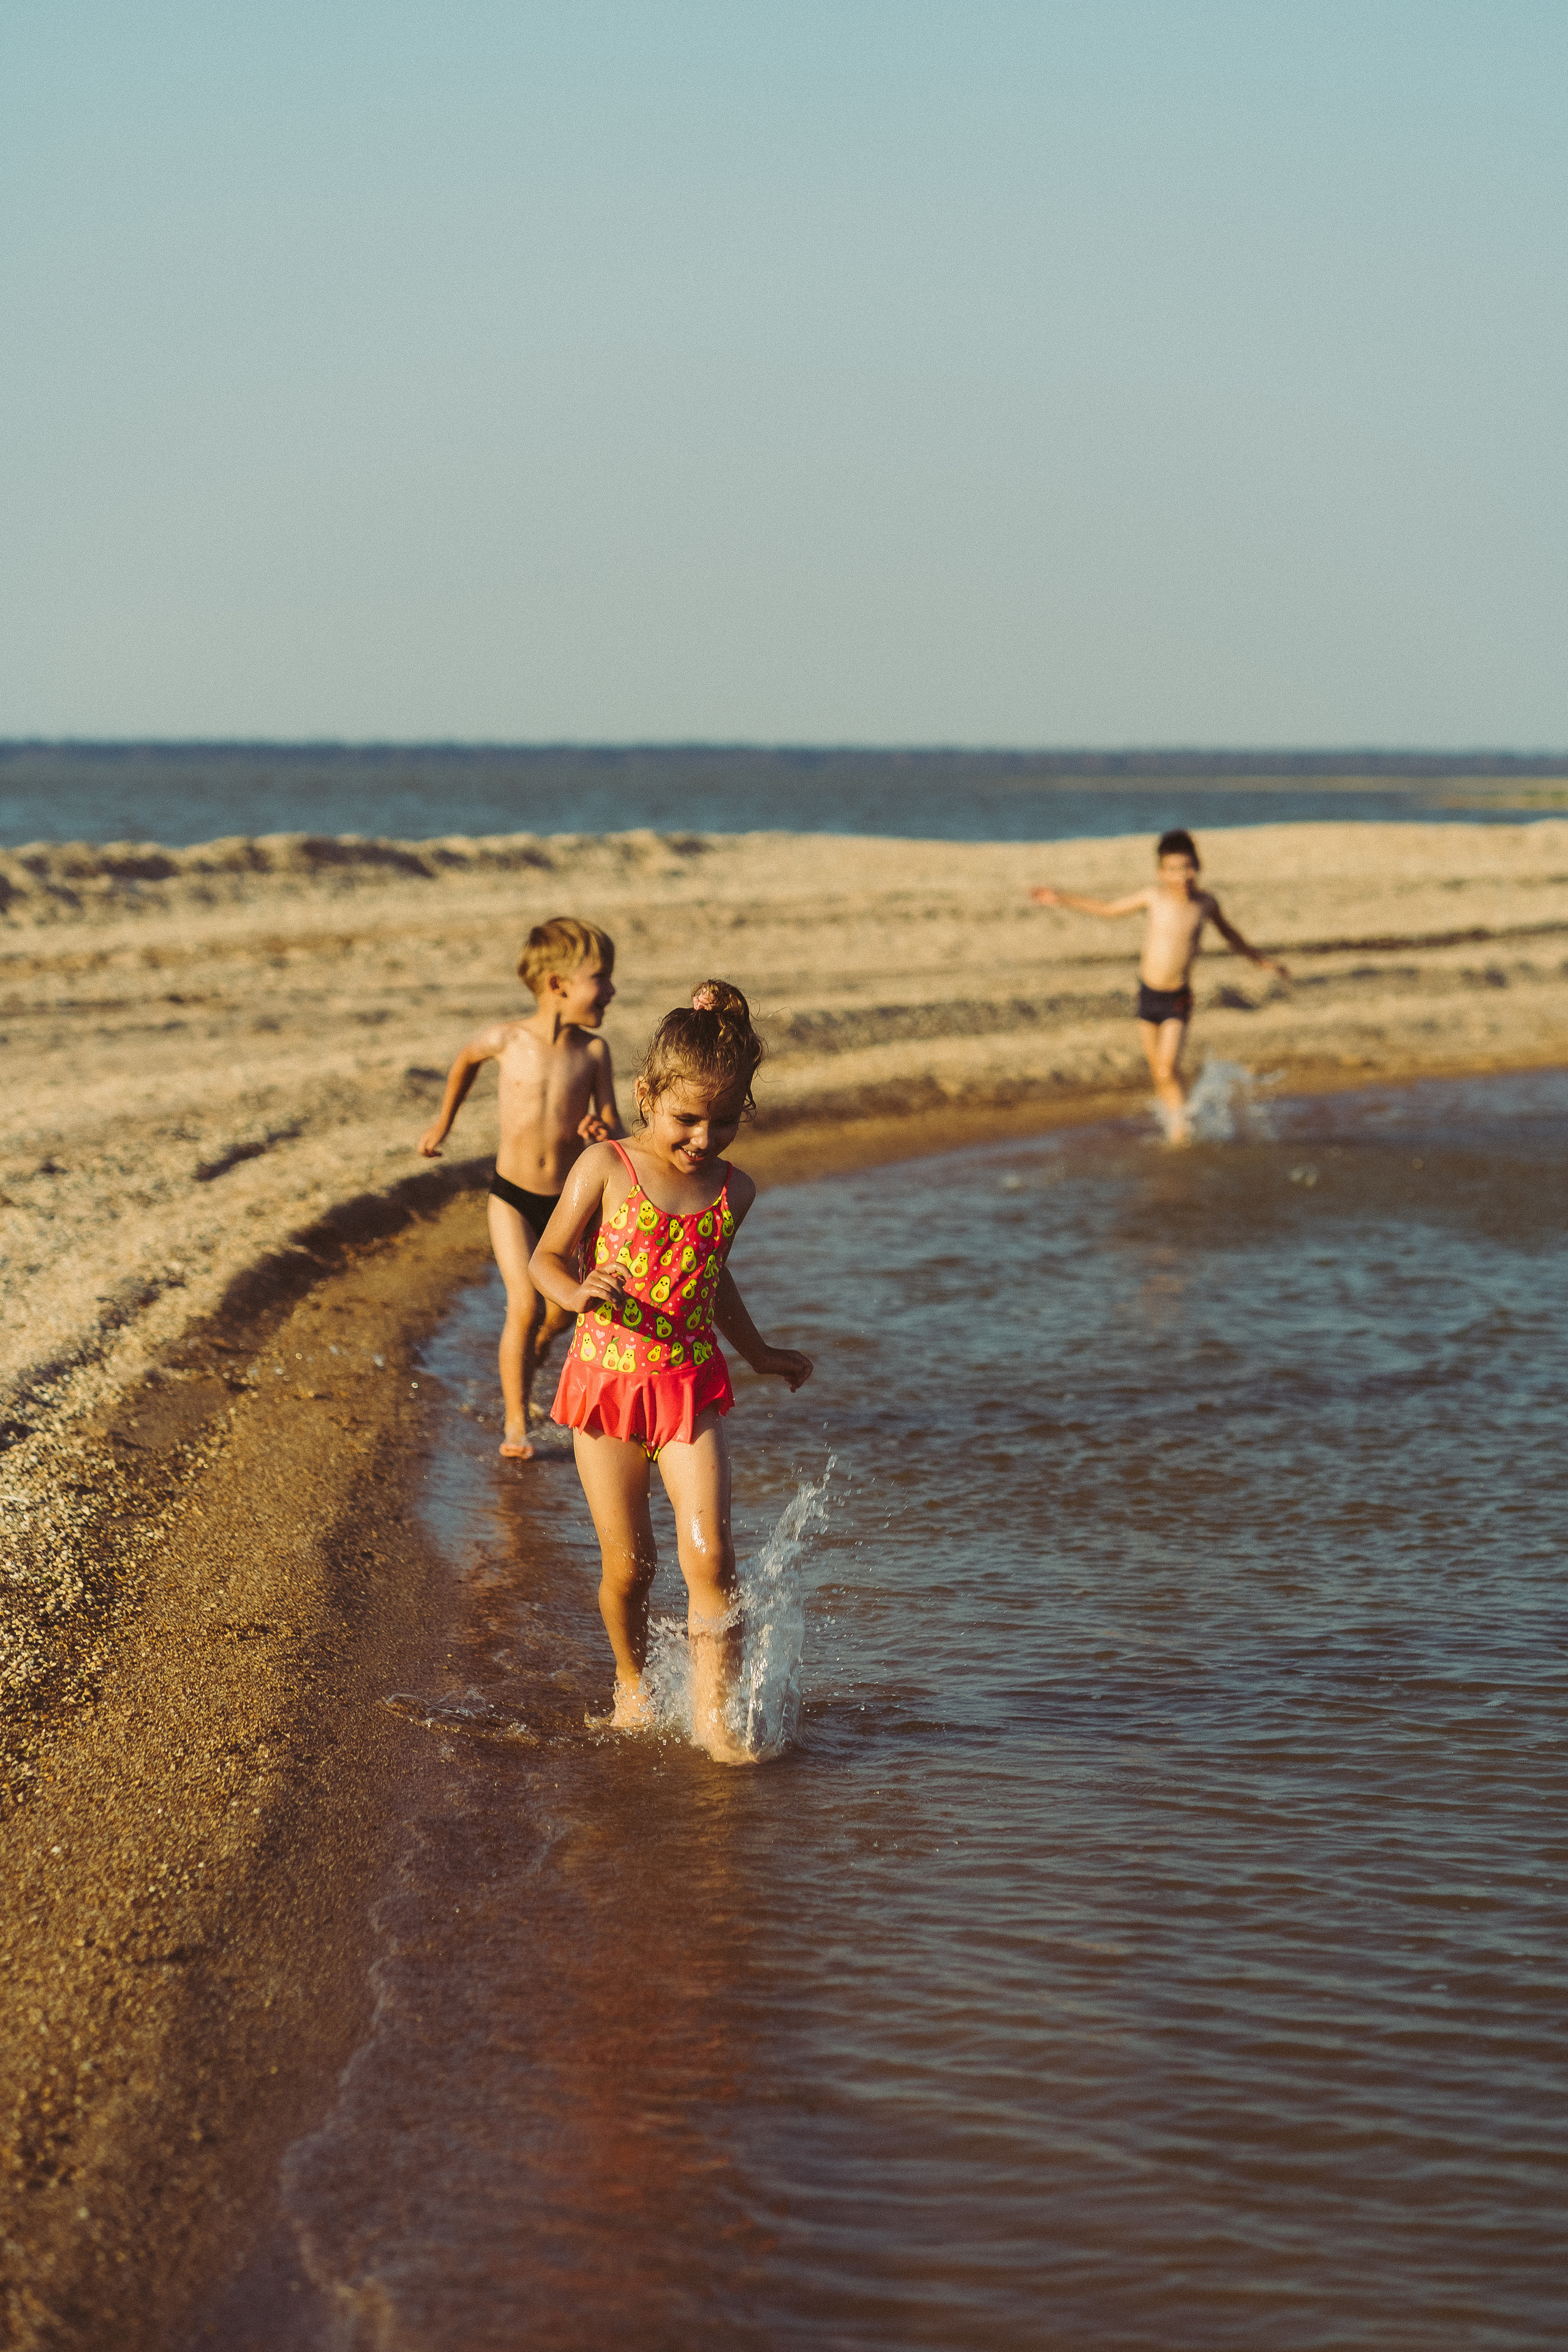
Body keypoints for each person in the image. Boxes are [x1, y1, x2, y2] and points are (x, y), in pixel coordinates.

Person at [528, 982, 813, 1764]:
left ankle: (718, 1724)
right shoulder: (607, 1165)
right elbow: (546, 1256)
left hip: (690, 1388)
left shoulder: (734, 1190)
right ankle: (629, 1682)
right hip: (608, 1389)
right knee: (631, 1566)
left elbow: (712, 1277)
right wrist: (576, 1292)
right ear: (647, 1096)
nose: (704, 1137)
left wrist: (757, 1354)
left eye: (724, 1121)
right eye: (687, 1118)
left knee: (711, 1557)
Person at [418, 917, 622, 1458]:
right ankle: (516, 1428)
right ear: (558, 984)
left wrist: (604, 1132)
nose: (612, 990)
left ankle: (532, 1355)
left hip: (568, 1206)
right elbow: (465, 1059)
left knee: (567, 1311)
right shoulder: (507, 1039)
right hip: (511, 1195)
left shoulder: (594, 1053)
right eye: (600, 977)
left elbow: (615, 1128)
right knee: (523, 1303)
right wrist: (444, 1123)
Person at [1030, 829, 1289, 1143]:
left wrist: (1264, 962)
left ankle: (1182, 1134)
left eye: (1189, 867)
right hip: (1147, 993)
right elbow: (1108, 910)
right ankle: (1185, 1117)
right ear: (1161, 873)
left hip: (1177, 997)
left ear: (1199, 866)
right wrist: (1061, 898)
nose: (1182, 876)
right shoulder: (1153, 897)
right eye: (1174, 869)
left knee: (1167, 1069)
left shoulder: (1205, 904)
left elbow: (1231, 936)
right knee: (1160, 1073)